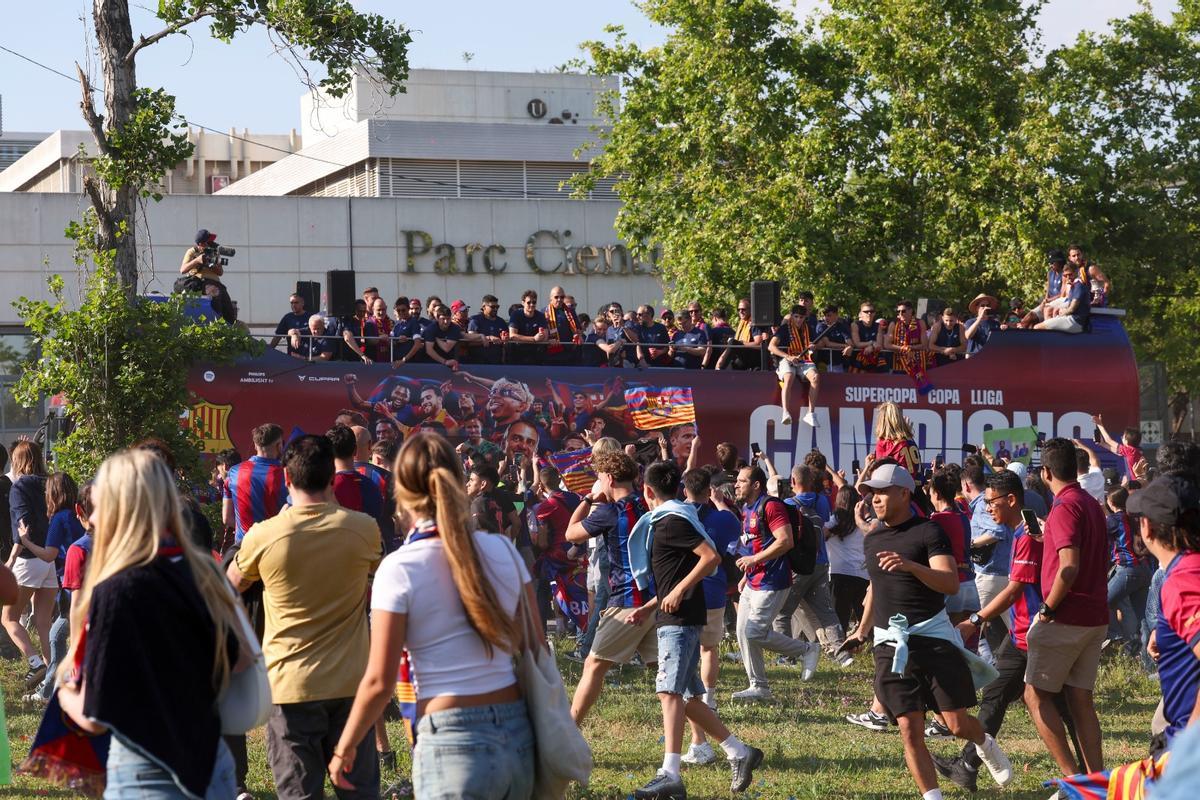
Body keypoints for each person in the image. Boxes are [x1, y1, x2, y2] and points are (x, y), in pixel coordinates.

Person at [326, 432, 534, 799]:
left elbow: (378, 681)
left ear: (401, 491)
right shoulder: (502, 549)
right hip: (517, 732)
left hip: (448, 737)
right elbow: (535, 645)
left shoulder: (399, 567)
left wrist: (344, 747)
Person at [57, 449, 243, 798]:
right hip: (213, 765)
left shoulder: (116, 589)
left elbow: (94, 714)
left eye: (101, 505)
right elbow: (240, 658)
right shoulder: (205, 573)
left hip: (147, 774)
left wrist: (65, 695)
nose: (93, 518)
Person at [228, 434, 382, 799]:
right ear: (333, 478)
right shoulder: (364, 530)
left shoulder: (263, 536)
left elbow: (227, 589)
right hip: (352, 685)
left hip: (289, 687)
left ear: (286, 479)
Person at [847, 463, 1013, 797]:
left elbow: (950, 583)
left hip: (933, 639)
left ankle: (984, 741)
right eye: (871, 492)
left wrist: (909, 565)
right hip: (891, 645)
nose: (875, 498)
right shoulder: (873, 539)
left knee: (955, 723)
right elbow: (876, 589)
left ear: (904, 493)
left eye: (882, 491)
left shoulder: (929, 532)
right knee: (910, 729)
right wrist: (861, 632)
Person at [936, 470, 1081, 792]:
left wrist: (974, 621)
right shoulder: (1023, 532)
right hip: (1024, 633)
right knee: (1009, 698)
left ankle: (1084, 776)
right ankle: (967, 765)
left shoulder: (1027, 536)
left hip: (1032, 635)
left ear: (1011, 500)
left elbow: (1015, 591)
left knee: (1041, 704)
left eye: (991, 503)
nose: (987, 509)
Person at [630, 461, 764, 799]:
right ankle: (738, 751)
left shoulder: (672, 521)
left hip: (681, 619)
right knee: (688, 697)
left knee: (669, 693)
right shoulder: (670, 519)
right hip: (673, 615)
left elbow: (710, 558)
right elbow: (675, 572)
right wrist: (651, 605)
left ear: (647, 491)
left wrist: (676, 593)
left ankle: (669, 773)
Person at [1023, 437, 1110, 776]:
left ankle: (1074, 781)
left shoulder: (1062, 507)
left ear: (1045, 472)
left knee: (1035, 697)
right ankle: (1096, 782)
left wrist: (1046, 609)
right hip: (1094, 615)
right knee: (1081, 701)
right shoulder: (1089, 502)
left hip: (1066, 616)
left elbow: (1069, 566)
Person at [565, 451, 654, 724]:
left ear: (609, 478)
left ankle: (567, 734)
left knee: (593, 666)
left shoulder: (609, 512)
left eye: (600, 477)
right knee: (670, 679)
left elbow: (571, 534)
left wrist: (589, 499)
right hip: (656, 599)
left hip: (627, 601)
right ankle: (717, 743)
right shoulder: (647, 503)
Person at [731, 465, 821, 700]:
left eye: (742, 481)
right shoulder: (747, 508)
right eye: (737, 480)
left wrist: (753, 560)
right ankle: (759, 686)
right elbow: (754, 544)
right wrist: (745, 574)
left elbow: (785, 541)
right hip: (753, 581)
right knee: (742, 632)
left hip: (773, 581)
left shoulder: (771, 505)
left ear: (756, 485)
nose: (736, 484)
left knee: (754, 632)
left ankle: (807, 649)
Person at [1131, 474, 1200, 748]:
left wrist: (1187, 749)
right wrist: (1169, 632)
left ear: (1147, 528)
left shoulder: (1181, 582)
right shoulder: (1190, 568)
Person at [679, 468, 742, 765]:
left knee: (686, 660)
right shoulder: (724, 516)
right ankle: (711, 697)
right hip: (714, 591)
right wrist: (718, 502)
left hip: (684, 592)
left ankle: (699, 740)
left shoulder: (675, 515)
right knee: (709, 648)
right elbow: (731, 526)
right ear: (710, 491)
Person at [25, 472, 84, 703]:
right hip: (79, 587)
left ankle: (49, 691)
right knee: (60, 637)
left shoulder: (59, 518)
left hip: (71, 589)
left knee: (58, 637)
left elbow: (49, 555)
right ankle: (55, 687)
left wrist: (25, 540)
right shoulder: (77, 515)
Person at [3, 441, 54, 690]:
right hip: (51, 560)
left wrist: (12, 558)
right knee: (44, 622)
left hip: (29, 560)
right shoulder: (51, 483)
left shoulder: (20, 487)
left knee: (8, 617)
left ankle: (36, 663)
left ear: (18, 460)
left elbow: (22, 527)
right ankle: (52, 675)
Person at [962, 462, 1013, 661]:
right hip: (1002, 572)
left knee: (972, 626)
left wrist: (972, 543)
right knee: (1015, 627)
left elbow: (997, 531)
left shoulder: (983, 504)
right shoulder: (989, 502)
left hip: (988, 574)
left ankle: (984, 669)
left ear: (966, 486)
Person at [1104, 487, 1152, 659]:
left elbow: (1097, 533)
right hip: (1144, 568)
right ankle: (1145, 660)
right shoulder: (1135, 517)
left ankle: (1115, 636)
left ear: (1110, 502)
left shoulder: (1113, 520)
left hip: (1128, 568)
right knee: (1143, 618)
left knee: (1102, 602)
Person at [223, 423, 287, 547]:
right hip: (275, 548)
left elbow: (226, 518)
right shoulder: (288, 474)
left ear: (256, 446)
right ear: (279, 445)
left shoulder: (233, 472)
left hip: (243, 548)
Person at [769, 304, 820, 427]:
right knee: (789, 376)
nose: (798, 320)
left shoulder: (809, 329)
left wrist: (814, 346)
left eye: (801, 317)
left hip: (804, 360)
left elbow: (818, 343)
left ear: (805, 318)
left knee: (816, 377)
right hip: (787, 359)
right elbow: (771, 346)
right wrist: (788, 357)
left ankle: (810, 413)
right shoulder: (784, 329)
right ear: (791, 316)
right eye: (796, 316)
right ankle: (785, 412)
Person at [178, 228, 236, 323]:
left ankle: (231, 324)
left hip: (217, 283)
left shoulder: (214, 252)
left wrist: (211, 265)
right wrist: (197, 260)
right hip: (202, 282)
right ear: (201, 244)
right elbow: (182, 270)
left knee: (227, 305)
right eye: (208, 241)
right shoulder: (192, 251)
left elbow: (220, 272)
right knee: (215, 294)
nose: (211, 243)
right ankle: (217, 323)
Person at [1035, 262, 1091, 334]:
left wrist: (1060, 315)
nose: (1068, 278)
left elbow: (1072, 309)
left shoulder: (1079, 286)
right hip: (1071, 319)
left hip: (1075, 322)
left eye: (1070, 274)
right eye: (1065, 275)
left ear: (1076, 272)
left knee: (1037, 327)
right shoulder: (1073, 286)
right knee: (1048, 312)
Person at [1091, 413, 1147, 482]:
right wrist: (1102, 444)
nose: (1121, 438)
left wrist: (1100, 425)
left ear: (1127, 441)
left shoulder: (1130, 451)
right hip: (1137, 483)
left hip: (1135, 484)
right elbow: (1118, 452)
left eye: (1123, 437)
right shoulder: (1135, 451)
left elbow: (1109, 440)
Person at [873, 402, 921, 482]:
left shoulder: (884, 444)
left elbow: (880, 476)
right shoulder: (910, 441)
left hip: (898, 490)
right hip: (917, 490)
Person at [508, 290, 549, 365]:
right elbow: (512, 336)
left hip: (535, 356)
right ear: (523, 303)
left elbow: (545, 337)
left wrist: (541, 336)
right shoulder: (516, 314)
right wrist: (533, 339)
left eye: (534, 302)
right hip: (517, 355)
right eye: (529, 302)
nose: (532, 304)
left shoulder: (540, 316)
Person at [467, 294, 508, 365]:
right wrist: (488, 339)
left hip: (497, 363)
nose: (495, 309)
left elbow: (506, 345)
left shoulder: (501, 322)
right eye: (492, 307)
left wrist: (505, 341)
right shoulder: (475, 320)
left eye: (497, 307)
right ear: (484, 307)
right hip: (478, 363)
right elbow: (470, 342)